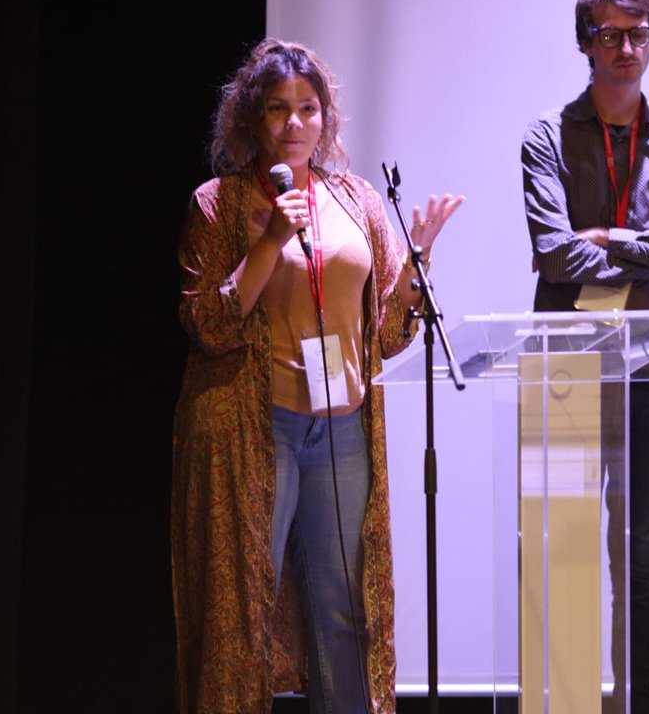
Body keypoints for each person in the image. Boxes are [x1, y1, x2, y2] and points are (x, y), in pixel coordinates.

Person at [171, 38, 463, 714]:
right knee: (244, 609)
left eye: (308, 108)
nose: (295, 123)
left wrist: (416, 263)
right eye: (278, 109)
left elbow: (386, 333)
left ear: (326, 119)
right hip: (257, 429)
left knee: (342, 610)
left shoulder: (357, 199)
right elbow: (209, 327)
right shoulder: (220, 204)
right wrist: (272, 237)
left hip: (341, 432)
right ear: (253, 119)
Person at [522, 0, 649, 713]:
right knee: (566, 552)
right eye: (610, 34)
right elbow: (555, 255)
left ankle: (636, 707)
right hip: (568, 365)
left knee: (641, 553)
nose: (627, 48)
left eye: (639, 34)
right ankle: (569, 705)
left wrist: (621, 238)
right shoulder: (547, 136)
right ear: (586, 43)